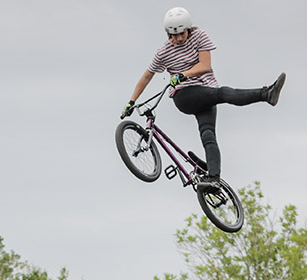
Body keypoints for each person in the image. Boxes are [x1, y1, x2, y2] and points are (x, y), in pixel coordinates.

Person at [121, 7, 285, 187]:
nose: (178, 39)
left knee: (208, 135)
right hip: (185, 95)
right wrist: (131, 101)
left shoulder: (199, 37)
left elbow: (205, 65)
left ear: (188, 29)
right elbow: (146, 76)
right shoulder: (163, 52)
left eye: (182, 34)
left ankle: (213, 179)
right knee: (222, 94)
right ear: (168, 34)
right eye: (173, 35)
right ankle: (266, 93)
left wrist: (183, 73)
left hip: (206, 93)